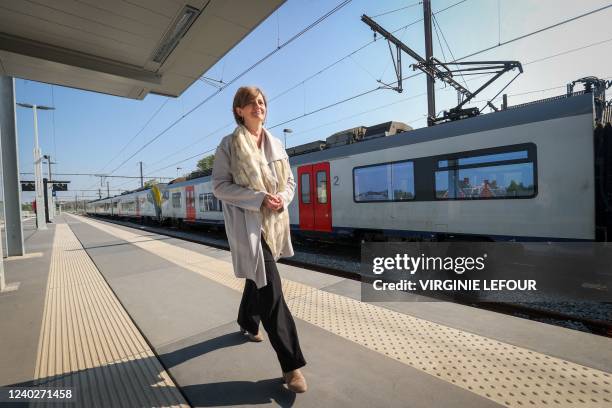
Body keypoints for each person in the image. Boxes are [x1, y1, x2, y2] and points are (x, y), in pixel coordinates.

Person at [212, 86, 307, 393]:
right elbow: (219, 187)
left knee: (258, 278)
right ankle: (291, 366)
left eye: (262, 102)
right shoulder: (228, 145)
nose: (259, 106)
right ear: (239, 110)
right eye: (251, 103)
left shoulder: (277, 144)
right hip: (249, 225)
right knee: (272, 290)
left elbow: (289, 182)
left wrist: (281, 197)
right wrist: (258, 199)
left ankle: (248, 321)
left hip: (274, 225)